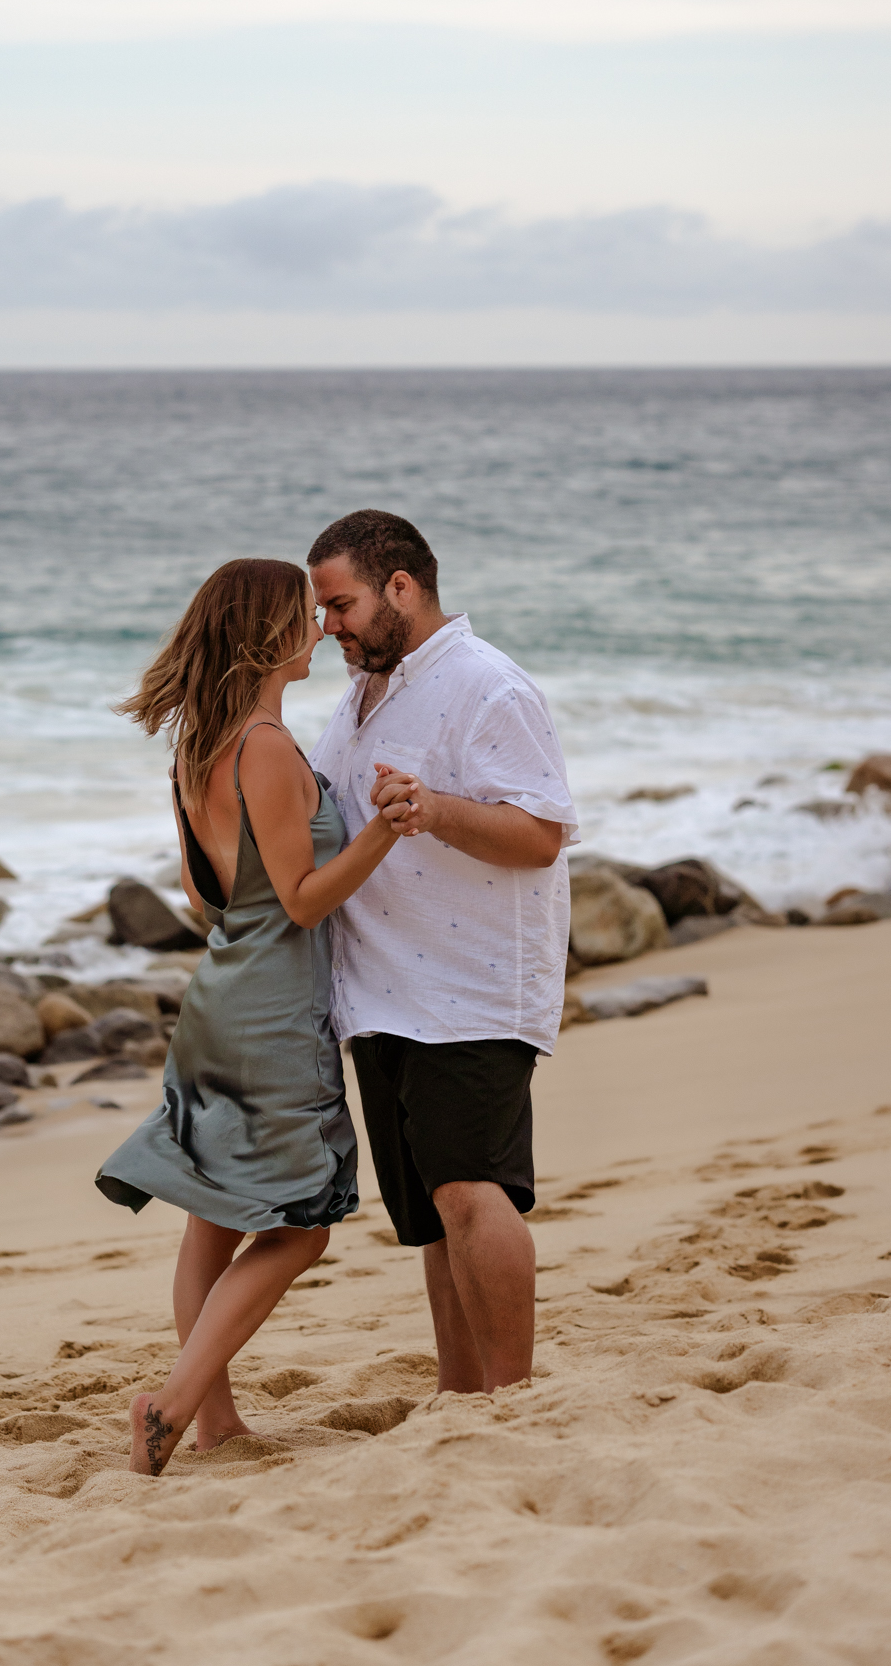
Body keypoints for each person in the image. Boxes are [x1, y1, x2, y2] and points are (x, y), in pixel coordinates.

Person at [96, 557, 411, 1476]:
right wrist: (384, 832)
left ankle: (216, 1425)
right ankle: (176, 1400)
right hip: (271, 1017)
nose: (319, 629)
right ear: (265, 633)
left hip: (217, 999)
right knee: (302, 1226)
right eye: (303, 617)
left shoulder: (197, 750)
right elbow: (306, 902)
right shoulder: (266, 746)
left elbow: (207, 897)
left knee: (212, 1221)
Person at [307, 510, 579, 1396]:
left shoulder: (485, 686)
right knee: (428, 1215)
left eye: (340, 605)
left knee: (468, 1190)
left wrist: (433, 808)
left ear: (401, 587)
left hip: (473, 987)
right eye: (321, 611)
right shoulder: (359, 696)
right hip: (375, 989)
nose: (328, 628)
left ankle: (510, 1396)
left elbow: (539, 835)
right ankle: (462, 1396)